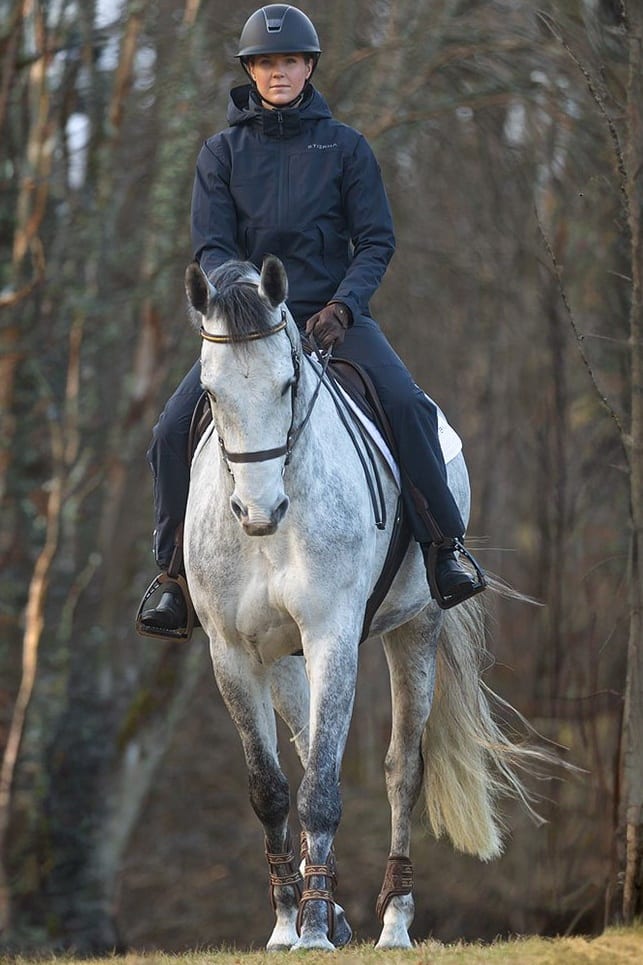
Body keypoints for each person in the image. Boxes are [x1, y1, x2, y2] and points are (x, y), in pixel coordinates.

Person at [140, 4, 485, 634]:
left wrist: (344, 306)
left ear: (309, 68)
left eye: (290, 61)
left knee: (407, 407)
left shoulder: (346, 147)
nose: (278, 72)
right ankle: (172, 578)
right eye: (266, 62)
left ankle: (444, 549)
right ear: (250, 70)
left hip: (334, 318)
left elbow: (375, 241)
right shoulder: (220, 153)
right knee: (168, 432)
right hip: (251, 328)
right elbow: (212, 249)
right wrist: (245, 300)